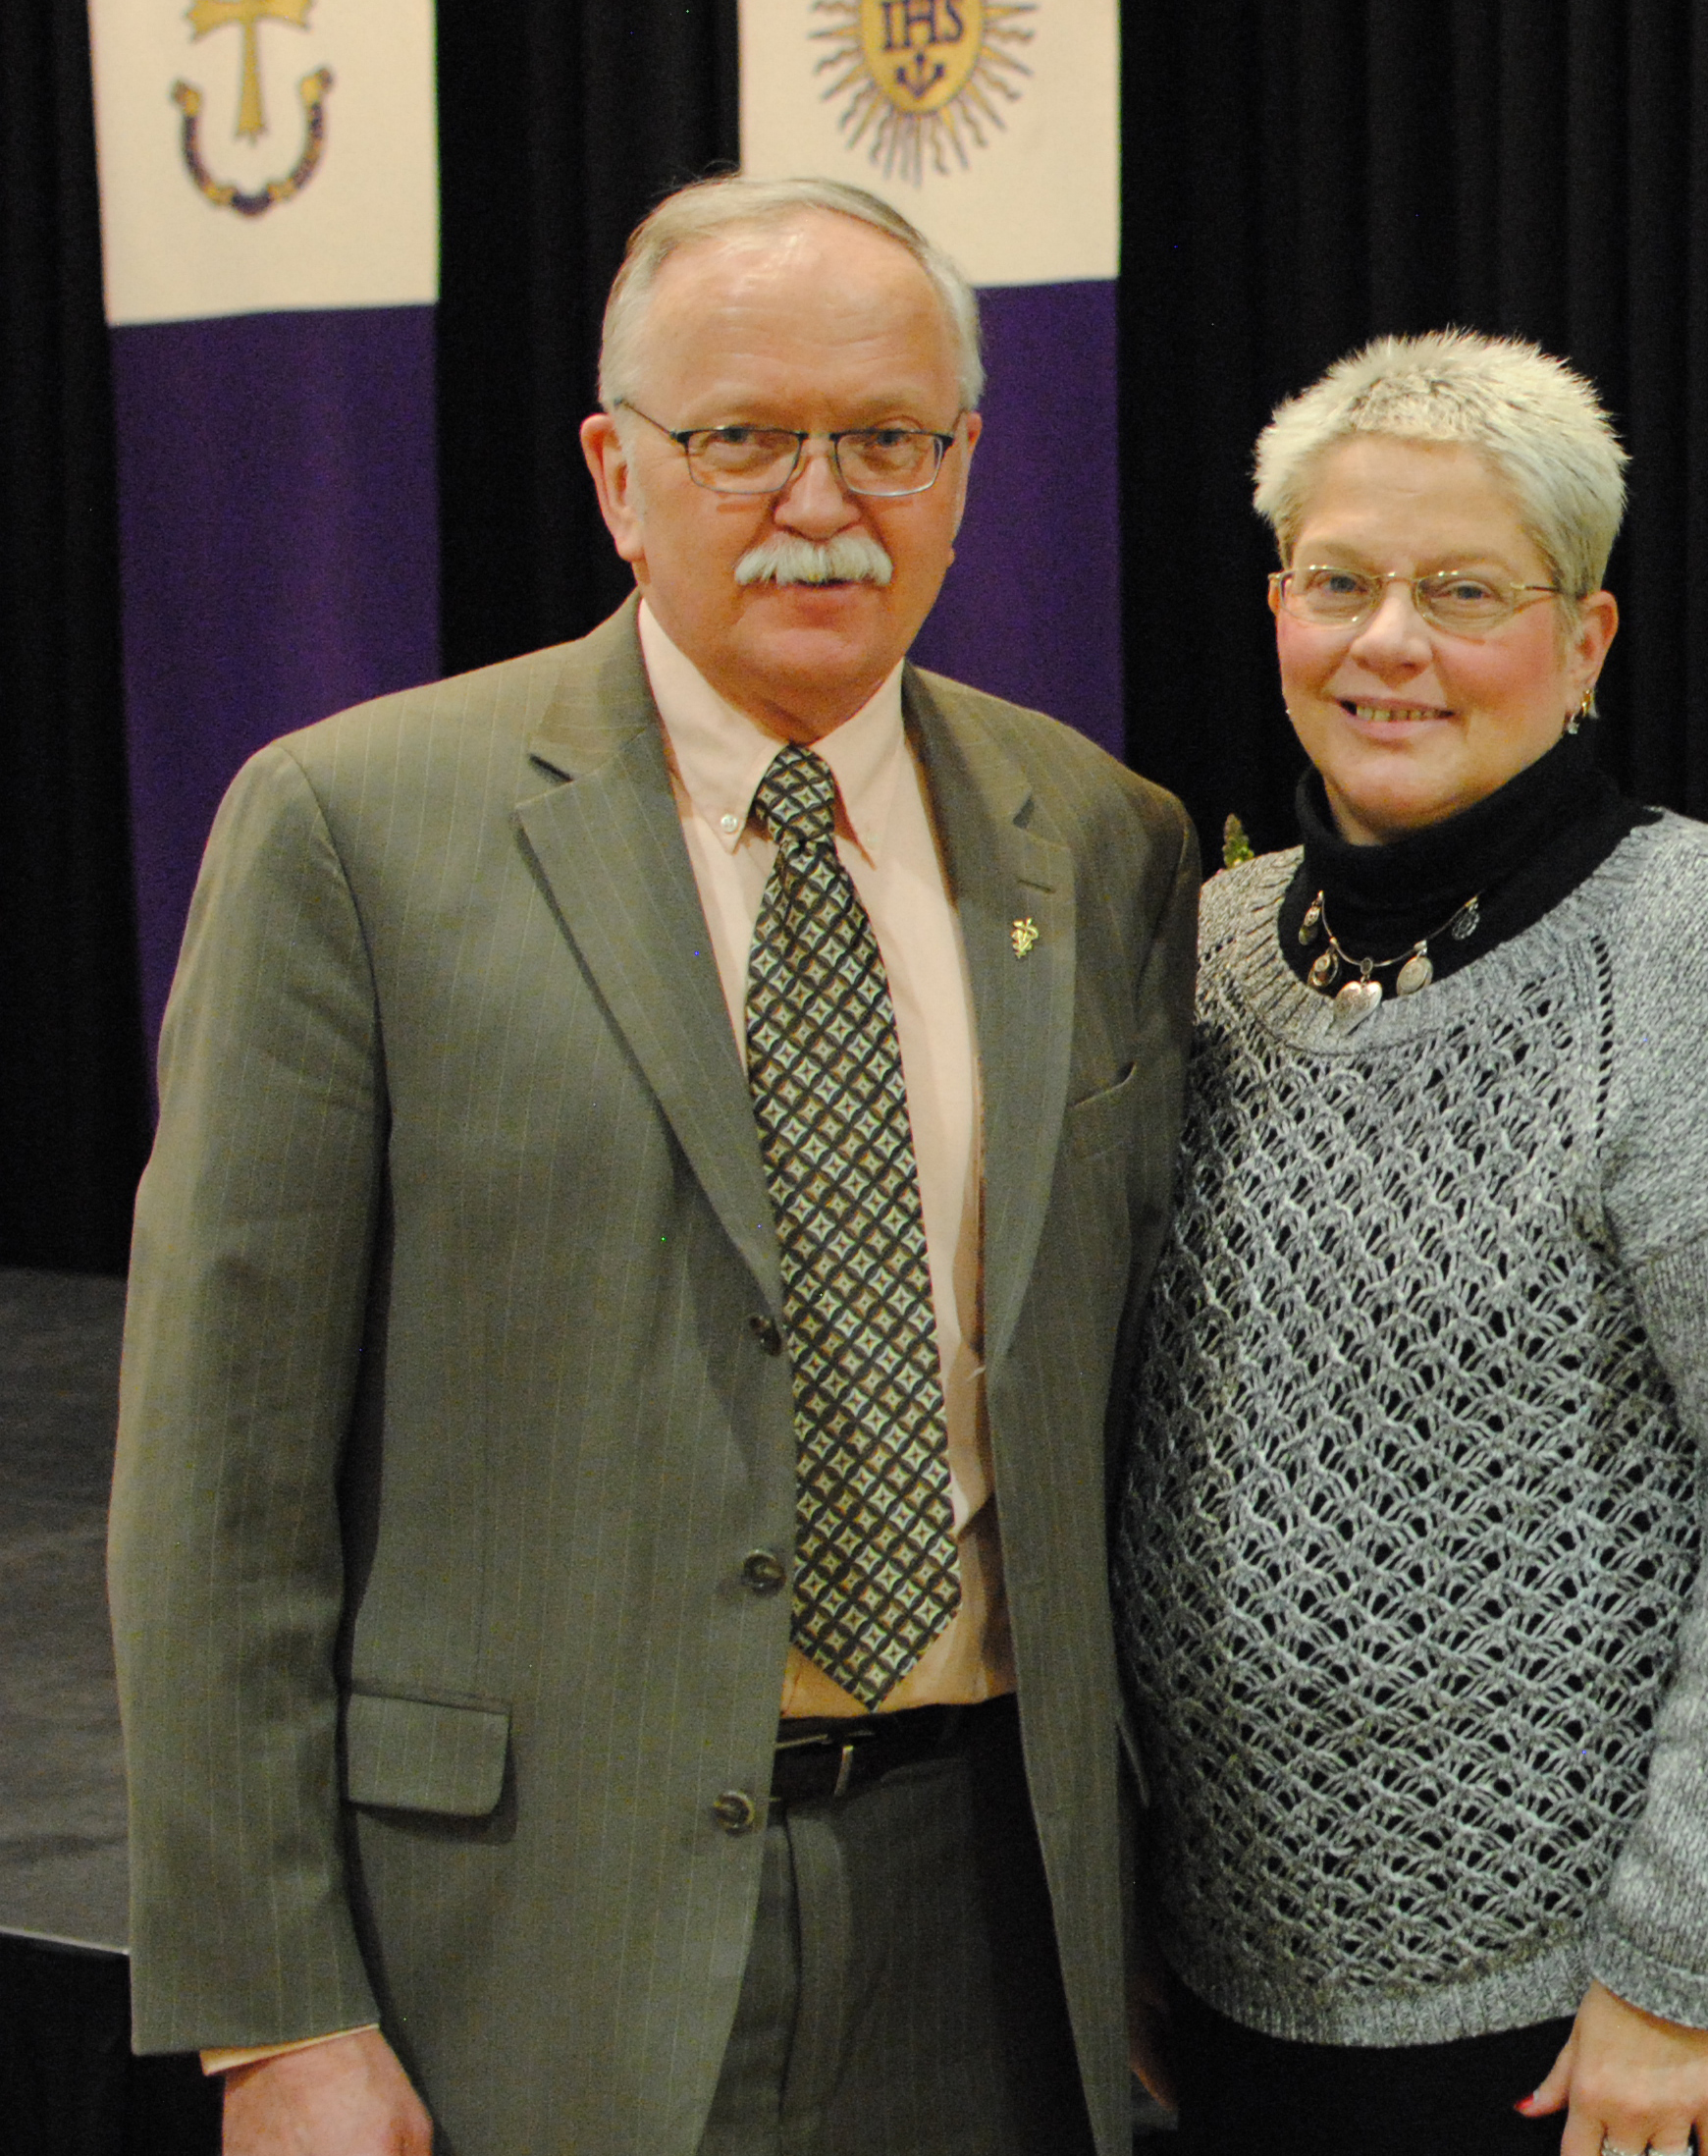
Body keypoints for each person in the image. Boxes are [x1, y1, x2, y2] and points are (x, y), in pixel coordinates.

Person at [107, 177, 1197, 2156]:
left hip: (989, 1928)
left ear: (961, 469)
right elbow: (220, 1483)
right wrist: (273, 2016)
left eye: (885, 439)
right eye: (742, 438)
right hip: (520, 1946)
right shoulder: (355, 833)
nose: (819, 500)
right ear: (619, 475)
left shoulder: (1100, 837)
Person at [1115, 329, 1708, 2156]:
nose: (1388, 643)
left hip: (1612, 2038)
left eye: (1464, 591)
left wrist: (1688, 1967)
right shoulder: (1212, 949)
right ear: (1276, 609)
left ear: (1585, 643)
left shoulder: (1704, 953)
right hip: (1256, 2006)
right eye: (1342, 582)